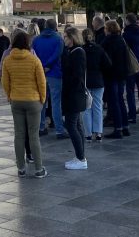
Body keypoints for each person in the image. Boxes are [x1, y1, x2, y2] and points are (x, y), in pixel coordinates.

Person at [1, 29, 47, 178]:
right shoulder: (34, 60)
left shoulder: (8, 60)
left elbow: (5, 82)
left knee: (19, 135)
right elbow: (41, 81)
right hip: (33, 100)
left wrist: (9, 96)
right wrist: (42, 99)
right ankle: (39, 169)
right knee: (33, 136)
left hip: (16, 100)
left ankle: (21, 167)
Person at [32, 18, 67, 139]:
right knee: (56, 102)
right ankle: (59, 129)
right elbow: (58, 54)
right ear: (55, 26)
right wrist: (49, 65)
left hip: (40, 73)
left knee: (42, 101)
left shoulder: (36, 39)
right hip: (55, 73)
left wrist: (42, 66)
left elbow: (33, 55)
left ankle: (41, 127)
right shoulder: (58, 39)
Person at [60, 27, 88, 170]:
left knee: (72, 125)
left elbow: (75, 75)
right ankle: (80, 155)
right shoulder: (72, 52)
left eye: (65, 37)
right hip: (73, 94)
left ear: (72, 38)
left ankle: (81, 158)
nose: (64, 39)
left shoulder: (77, 53)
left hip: (74, 94)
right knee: (76, 125)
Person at [101, 20, 130, 139]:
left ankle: (117, 128)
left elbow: (105, 58)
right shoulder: (121, 39)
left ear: (107, 29)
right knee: (121, 100)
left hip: (111, 74)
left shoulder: (107, 41)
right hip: (122, 73)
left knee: (114, 102)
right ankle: (125, 126)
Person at [82, 27, 110, 142]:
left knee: (86, 108)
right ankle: (98, 132)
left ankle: (88, 133)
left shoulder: (81, 50)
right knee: (98, 107)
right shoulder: (99, 49)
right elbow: (108, 64)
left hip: (85, 82)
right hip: (98, 80)